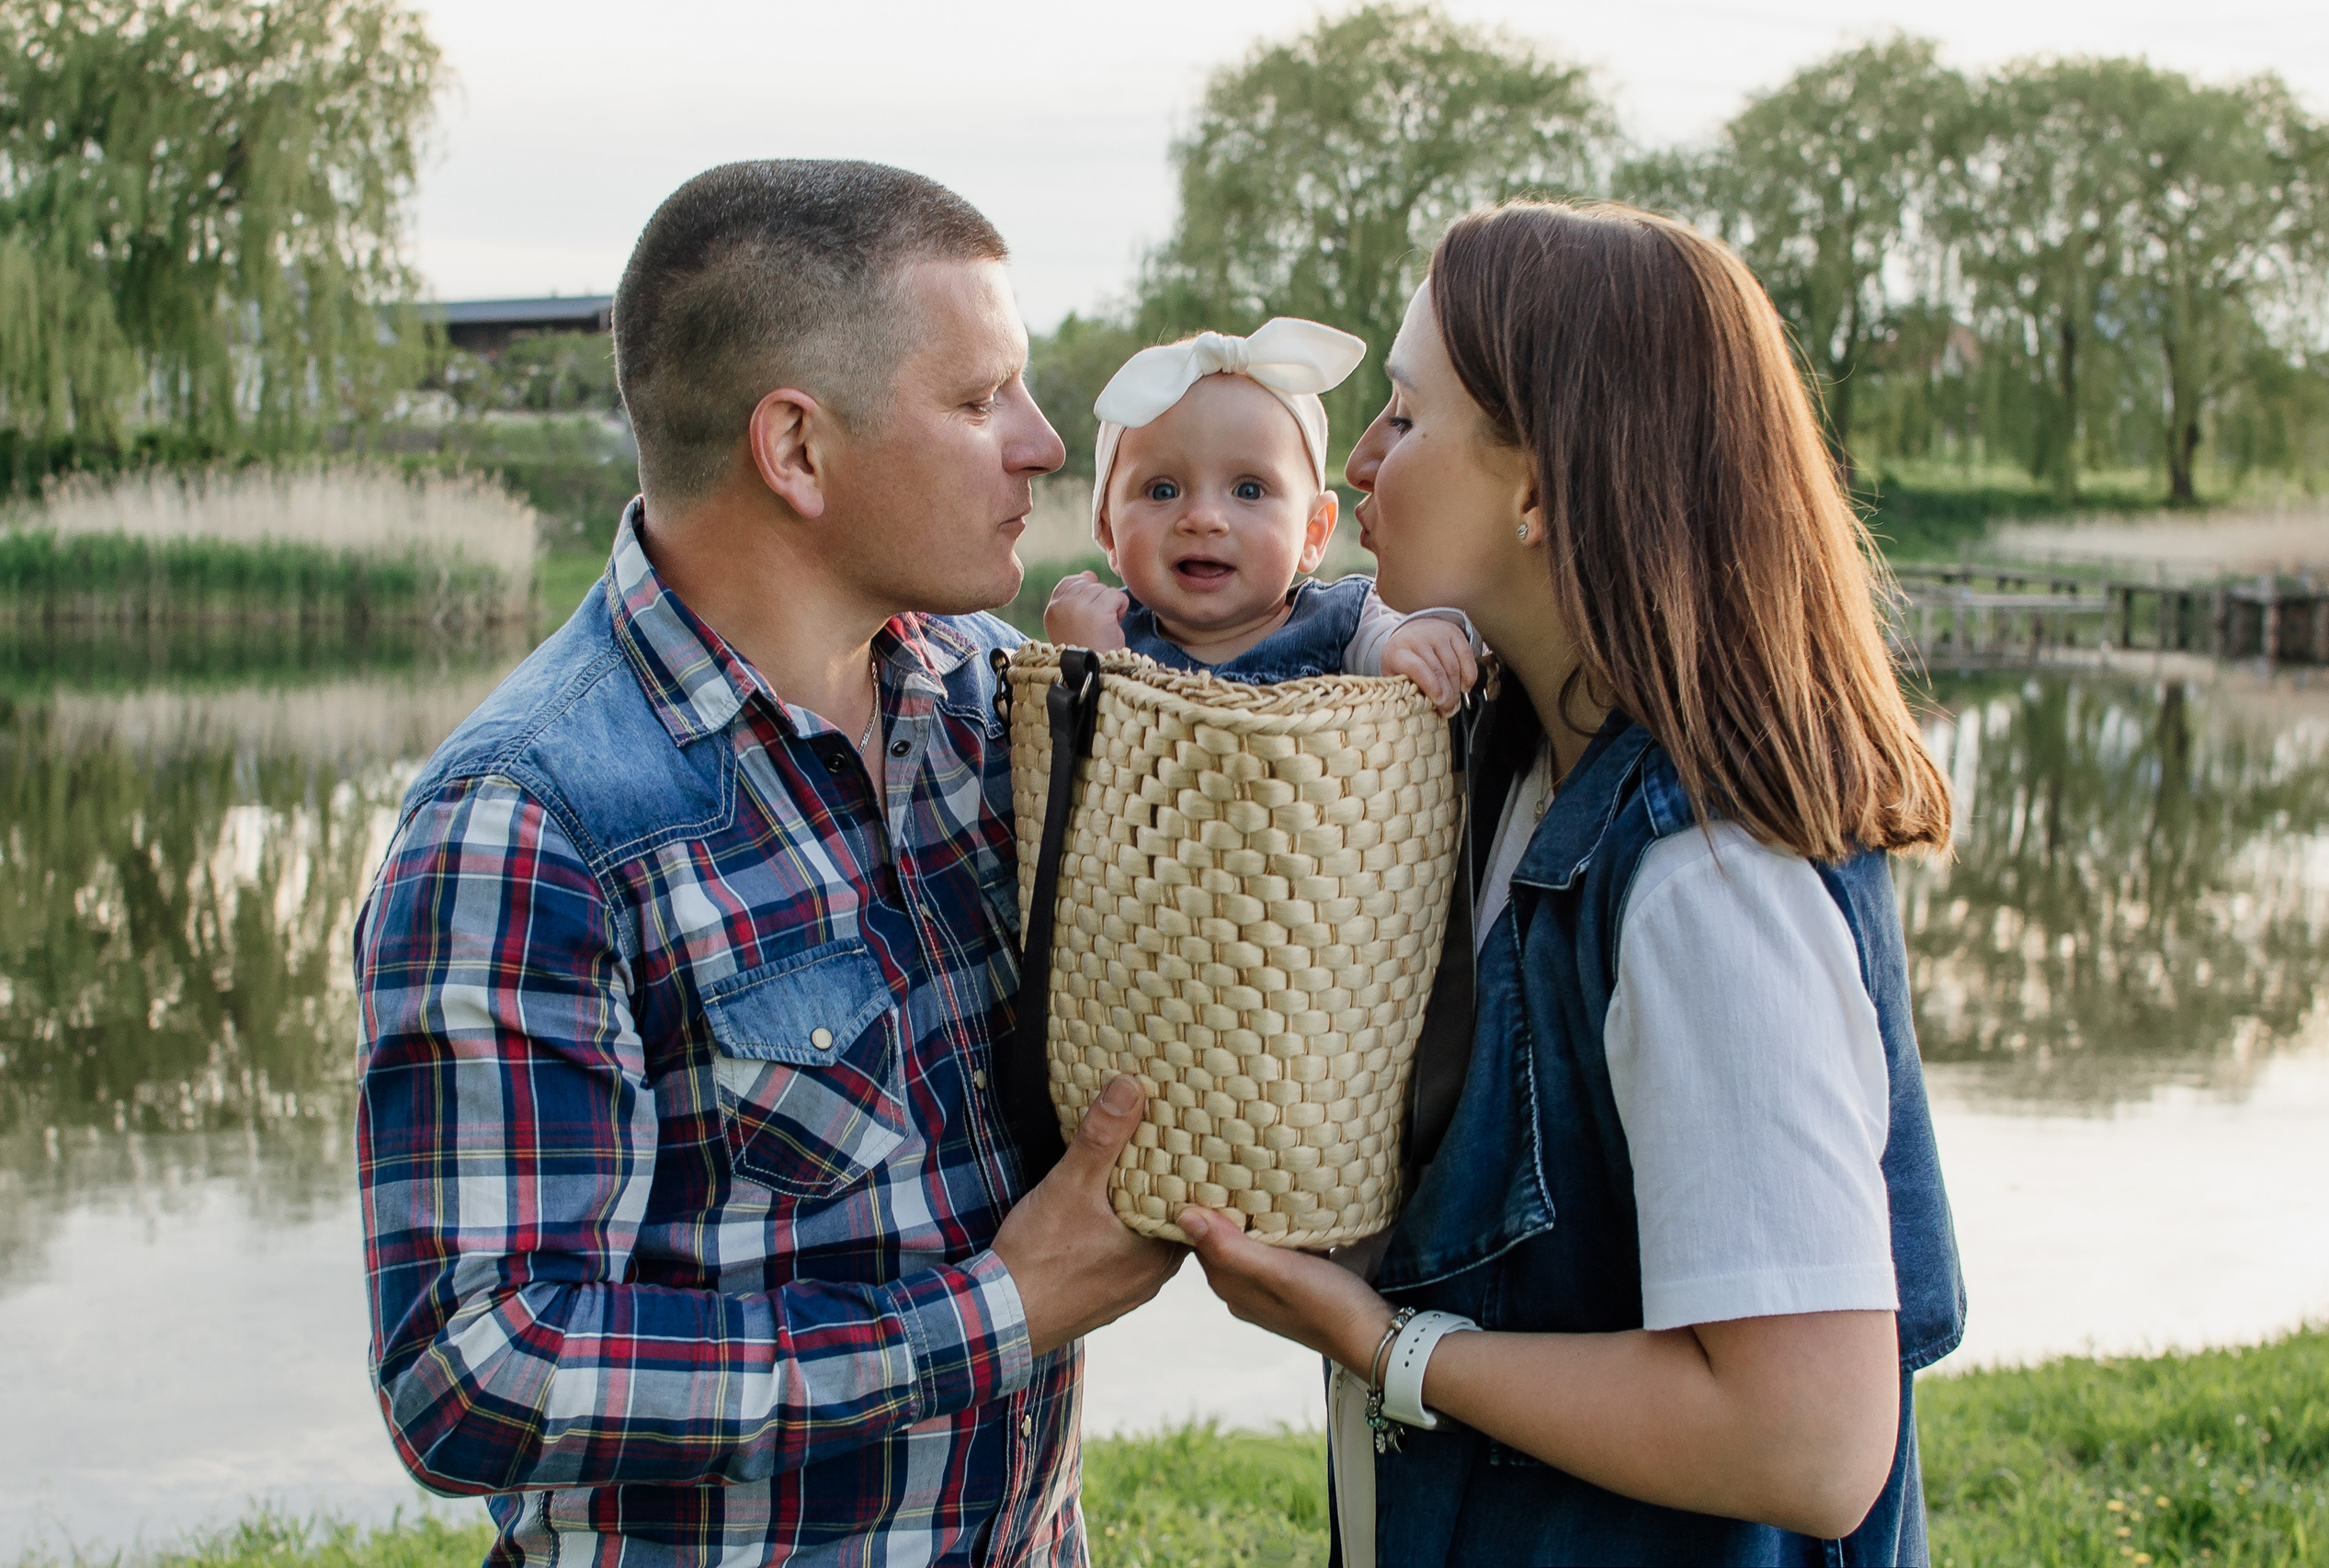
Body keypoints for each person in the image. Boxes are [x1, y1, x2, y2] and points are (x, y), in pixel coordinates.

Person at [352, 159, 1181, 1563]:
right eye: (980, 400)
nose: (1041, 443)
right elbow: (473, 1372)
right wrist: (992, 1314)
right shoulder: (529, 819)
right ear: (795, 449)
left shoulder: (995, 698)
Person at [1179, 200, 1968, 1566]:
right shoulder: (1509, 763)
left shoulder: (1710, 880)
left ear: (1540, 484)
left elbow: (1812, 1441)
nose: (1360, 460)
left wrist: (1383, 1342)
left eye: (1406, 417)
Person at [1042, 320, 1478, 710]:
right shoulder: (1114, 634)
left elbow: (1382, 645)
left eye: (1249, 490)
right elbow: (1070, 769)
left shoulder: (1342, 621)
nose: (1204, 518)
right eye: (1162, 490)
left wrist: (1405, 644)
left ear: (1313, 533)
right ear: (1108, 532)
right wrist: (1082, 658)